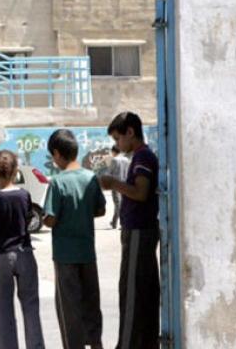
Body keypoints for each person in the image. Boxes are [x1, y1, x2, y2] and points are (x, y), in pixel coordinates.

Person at [98, 112, 160, 349]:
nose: (117, 144)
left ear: (130, 132)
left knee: (131, 295)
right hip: (140, 232)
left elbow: (140, 192)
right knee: (144, 294)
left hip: (138, 232)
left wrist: (113, 183)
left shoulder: (142, 156)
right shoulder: (141, 156)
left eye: (118, 138)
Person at [43, 129, 106, 349]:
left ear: (57, 153)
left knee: (69, 309)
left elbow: (50, 218)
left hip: (65, 256)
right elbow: (100, 210)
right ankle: (96, 344)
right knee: (91, 304)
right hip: (87, 253)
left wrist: (46, 219)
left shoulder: (57, 182)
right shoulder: (91, 178)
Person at [0, 150, 45, 349]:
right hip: (24, 251)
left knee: (3, 307)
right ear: (16, 171)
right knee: (30, 305)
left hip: (1, 254)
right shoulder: (24, 195)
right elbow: (28, 220)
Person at [107, 145, 131, 229]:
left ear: (114, 151)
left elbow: (109, 172)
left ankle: (116, 223)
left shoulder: (114, 160)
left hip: (116, 185)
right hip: (125, 184)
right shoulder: (127, 160)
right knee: (123, 204)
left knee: (117, 204)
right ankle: (121, 222)